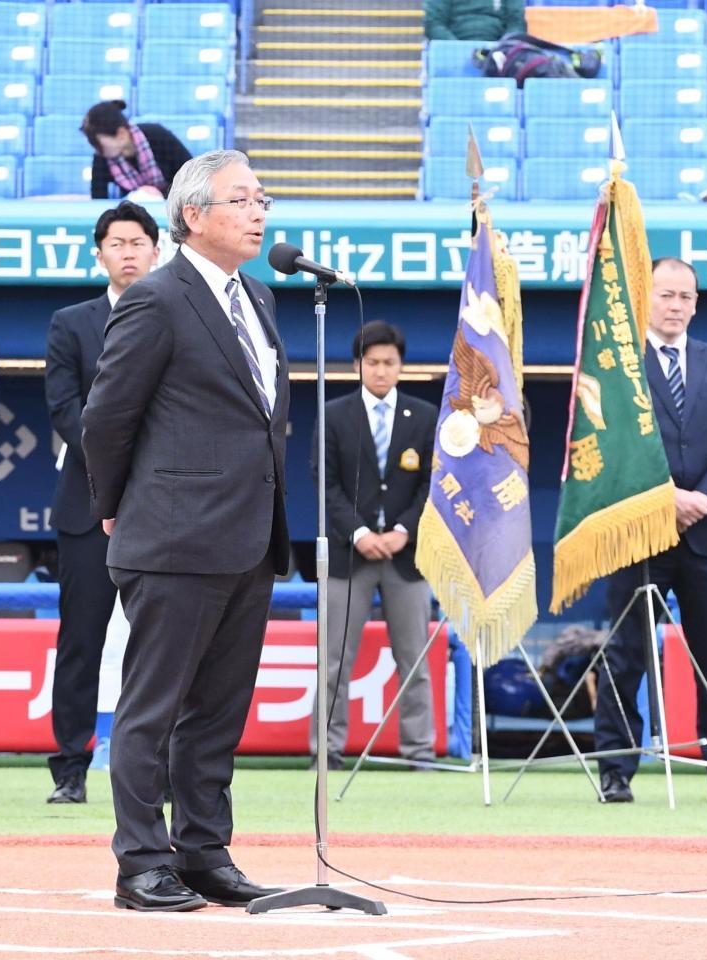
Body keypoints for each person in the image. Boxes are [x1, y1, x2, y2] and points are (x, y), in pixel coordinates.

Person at [82, 150, 289, 911]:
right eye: (243, 199)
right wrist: (119, 502)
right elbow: (106, 416)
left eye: (263, 198)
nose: (260, 211)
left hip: (249, 536)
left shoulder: (259, 297)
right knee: (152, 707)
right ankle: (142, 862)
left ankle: (203, 851)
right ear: (193, 214)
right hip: (172, 535)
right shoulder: (157, 299)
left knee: (218, 713)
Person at [44, 201, 160, 804]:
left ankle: (154, 770)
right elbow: (63, 407)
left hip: (161, 508)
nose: (128, 252)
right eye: (116, 242)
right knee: (82, 639)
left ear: (156, 249)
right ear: (100, 252)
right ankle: (69, 768)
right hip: (88, 506)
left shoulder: (178, 314)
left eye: (138, 241)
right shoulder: (71, 322)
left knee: (162, 644)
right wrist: (120, 448)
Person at [594, 257, 707, 804]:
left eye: (685, 296)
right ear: (646, 298)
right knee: (626, 651)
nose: (675, 305)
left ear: (696, 302)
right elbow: (610, 442)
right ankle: (615, 767)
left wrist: (700, 498)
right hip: (639, 531)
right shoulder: (617, 366)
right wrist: (665, 496)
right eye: (665, 294)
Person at [310, 322, 439, 770]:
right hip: (350, 555)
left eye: (389, 363)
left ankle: (419, 752)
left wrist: (403, 529)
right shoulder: (334, 414)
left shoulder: (425, 417)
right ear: (358, 366)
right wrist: (361, 533)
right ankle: (326, 752)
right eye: (373, 363)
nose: (381, 371)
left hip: (407, 557)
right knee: (333, 662)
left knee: (415, 660)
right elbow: (324, 485)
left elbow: (433, 485)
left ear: (402, 366)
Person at [81, 100, 192, 202]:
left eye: (96, 142)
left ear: (121, 134)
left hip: (173, 205)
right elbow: (98, 200)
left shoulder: (158, 135)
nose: (96, 148)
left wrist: (160, 195)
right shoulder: (102, 156)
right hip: (132, 212)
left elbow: (192, 175)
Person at [424, 0, 526, 41]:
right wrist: (456, 48)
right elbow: (434, 24)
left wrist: (503, 47)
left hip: (499, 51)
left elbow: (516, 23)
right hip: (453, 50)